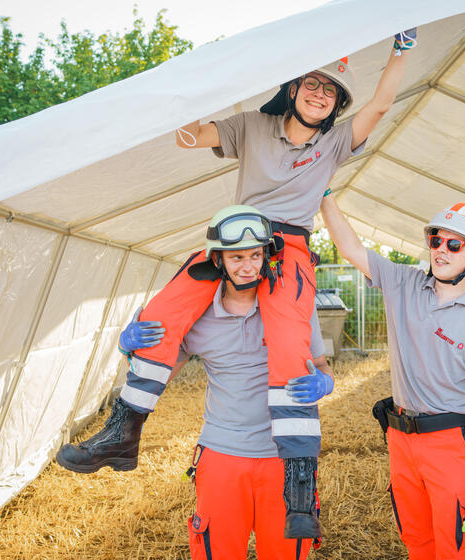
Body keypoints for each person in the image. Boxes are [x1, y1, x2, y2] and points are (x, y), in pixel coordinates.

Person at [55, 29, 418, 539]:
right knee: (162, 312)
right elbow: (190, 136)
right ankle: (123, 431)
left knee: (292, 344)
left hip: (287, 247)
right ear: (293, 89)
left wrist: (401, 51)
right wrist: (208, 80)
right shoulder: (253, 125)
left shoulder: (335, 143)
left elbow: (381, 104)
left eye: (331, 91)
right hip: (234, 239)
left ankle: (297, 484)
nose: (320, 94)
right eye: (312, 84)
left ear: (336, 104)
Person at [58, 207, 334, 558]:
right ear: (217, 259)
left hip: (282, 460)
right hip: (221, 456)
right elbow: (163, 369)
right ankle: (118, 435)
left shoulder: (295, 307)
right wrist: (128, 350)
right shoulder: (199, 316)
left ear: (267, 256)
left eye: (255, 255)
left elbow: (323, 367)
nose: (248, 266)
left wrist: (325, 384)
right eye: (237, 257)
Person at [320, 195, 465, 559]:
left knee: (458, 550)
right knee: (417, 543)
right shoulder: (404, 283)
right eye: (436, 240)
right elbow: (349, 247)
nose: (441, 250)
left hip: (452, 446)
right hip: (400, 440)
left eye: (454, 244)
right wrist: (324, 193)